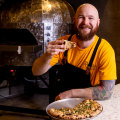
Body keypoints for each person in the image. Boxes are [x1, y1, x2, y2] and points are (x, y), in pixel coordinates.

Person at [32, 3, 117, 101]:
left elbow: (106, 92)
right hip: (62, 103)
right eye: (81, 17)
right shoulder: (63, 43)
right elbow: (35, 71)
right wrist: (47, 56)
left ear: (98, 22)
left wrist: (71, 93)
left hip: (89, 104)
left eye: (91, 18)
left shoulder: (104, 50)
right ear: (74, 20)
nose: (85, 22)